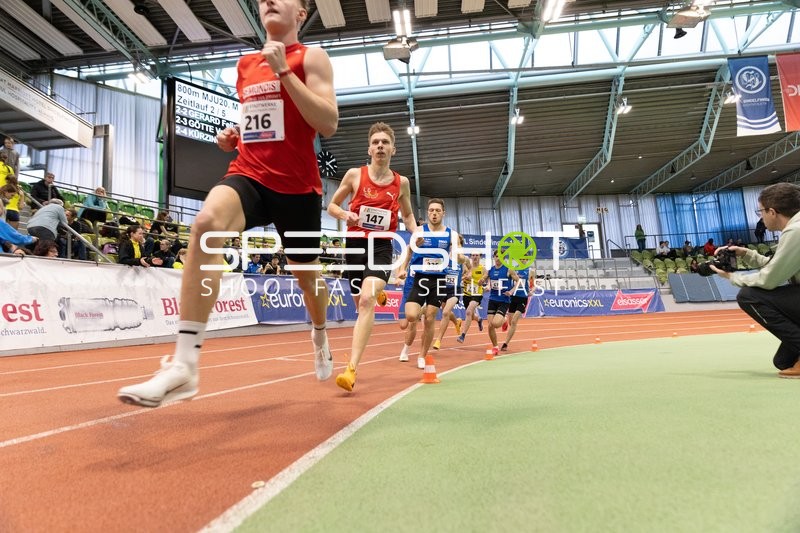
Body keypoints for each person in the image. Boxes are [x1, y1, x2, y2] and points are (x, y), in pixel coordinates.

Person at [117, 0, 339, 407]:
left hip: (298, 189)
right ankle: (185, 366)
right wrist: (236, 135)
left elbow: (327, 121)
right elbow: (266, 122)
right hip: (250, 173)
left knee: (309, 281)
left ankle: (320, 334)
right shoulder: (244, 64)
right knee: (204, 227)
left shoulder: (312, 57)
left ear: (302, 13)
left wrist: (285, 71)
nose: (268, 0)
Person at [326, 122, 417, 391]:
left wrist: (416, 232)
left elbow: (408, 214)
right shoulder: (355, 175)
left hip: (381, 246)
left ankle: (351, 369)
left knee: (366, 301)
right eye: (376, 142)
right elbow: (331, 205)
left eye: (385, 143)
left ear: (393, 150)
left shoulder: (402, 183)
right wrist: (346, 214)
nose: (380, 146)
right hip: (354, 245)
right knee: (359, 302)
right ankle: (377, 291)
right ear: (369, 148)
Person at [710, 183, 800, 377]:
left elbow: (770, 280)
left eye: (761, 211)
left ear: (772, 212)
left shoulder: (795, 231)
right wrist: (747, 254)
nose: (761, 217)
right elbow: (782, 265)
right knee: (783, 361)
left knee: (749, 295)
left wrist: (732, 277)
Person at [397, 199, 462, 370]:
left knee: (431, 318)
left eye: (438, 210)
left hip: (439, 280)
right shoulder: (419, 231)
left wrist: (462, 258)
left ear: (443, 213)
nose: (434, 213)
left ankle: (422, 355)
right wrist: (402, 270)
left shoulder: (451, 234)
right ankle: (410, 340)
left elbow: (457, 254)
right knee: (411, 316)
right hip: (420, 277)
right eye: (431, 210)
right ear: (428, 212)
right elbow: (409, 251)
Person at [480, 250, 521, 356]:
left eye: (500, 256)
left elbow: (518, 281)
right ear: (494, 257)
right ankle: (495, 346)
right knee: (490, 326)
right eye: (496, 256)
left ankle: (504, 321)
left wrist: (511, 291)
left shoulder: (508, 269)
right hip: (492, 299)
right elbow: (483, 280)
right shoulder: (491, 271)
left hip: (504, 300)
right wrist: (481, 282)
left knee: (495, 323)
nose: (498, 258)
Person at [501, 265, 535, 351]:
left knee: (514, 321)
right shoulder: (513, 268)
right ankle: (504, 321)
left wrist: (531, 291)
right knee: (510, 322)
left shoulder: (530, 271)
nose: (523, 260)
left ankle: (505, 343)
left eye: (524, 259)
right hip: (513, 298)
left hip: (523, 298)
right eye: (521, 258)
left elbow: (533, 285)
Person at [457, 253, 485, 343]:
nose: (475, 257)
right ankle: (479, 319)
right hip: (467, 294)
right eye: (473, 255)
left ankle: (463, 335)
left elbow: (487, 279)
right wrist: (464, 277)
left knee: (468, 311)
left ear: (480, 257)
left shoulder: (483, 269)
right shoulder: (465, 267)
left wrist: (483, 282)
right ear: (471, 257)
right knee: (471, 315)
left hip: (477, 294)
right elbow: (459, 278)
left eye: (477, 255)